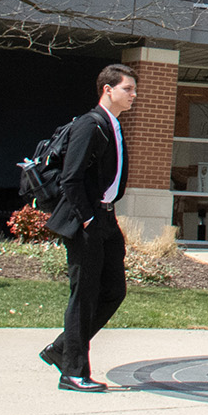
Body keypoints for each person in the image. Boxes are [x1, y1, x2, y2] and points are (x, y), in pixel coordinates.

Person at [39, 64, 136, 393]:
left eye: (133, 89)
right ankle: (73, 372)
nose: (134, 95)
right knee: (84, 296)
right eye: (127, 89)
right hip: (88, 221)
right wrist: (87, 218)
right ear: (108, 90)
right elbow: (71, 178)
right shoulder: (89, 125)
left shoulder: (114, 125)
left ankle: (61, 349)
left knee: (114, 291)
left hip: (106, 219)